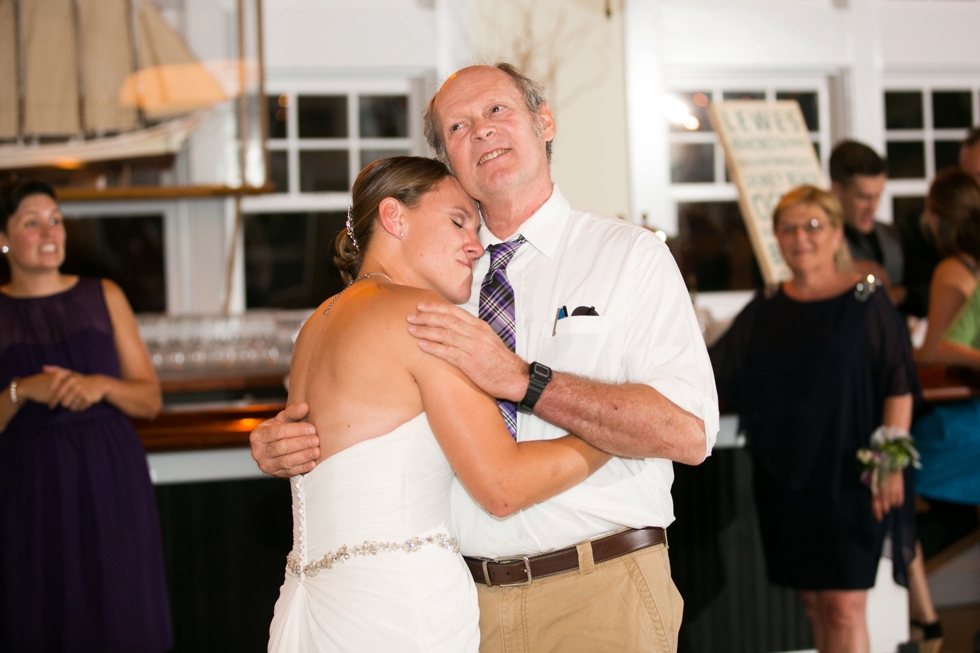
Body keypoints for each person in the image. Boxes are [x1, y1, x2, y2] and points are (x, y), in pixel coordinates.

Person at [253, 63, 719, 652]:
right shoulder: (433, 282)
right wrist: (285, 441)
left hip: (597, 591)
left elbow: (690, 432)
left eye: (497, 111)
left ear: (543, 122)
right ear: (446, 158)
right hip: (458, 603)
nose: (481, 131)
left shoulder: (629, 257)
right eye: (457, 125)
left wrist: (527, 381)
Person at [267, 155, 613, 651]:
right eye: (457, 222)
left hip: (312, 603)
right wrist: (609, 437)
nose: (476, 246)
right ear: (395, 218)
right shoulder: (423, 320)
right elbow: (502, 485)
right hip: (400, 607)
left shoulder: (315, 326)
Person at [710, 185, 918, 653]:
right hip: (786, 479)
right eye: (788, 228)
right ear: (776, 238)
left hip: (854, 477)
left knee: (845, 608)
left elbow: (899, 385)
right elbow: (712, 372)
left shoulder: (867, 302)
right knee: (812, 604)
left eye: (813, 226)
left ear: (836, 233)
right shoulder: (765, 307)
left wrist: (890, 464)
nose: (800, 237)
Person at [0, 181, 172, 651]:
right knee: (39, 611)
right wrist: (21, 391)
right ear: (5, 238)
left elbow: (150, 400)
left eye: (55, 219)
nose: (49, 231)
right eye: (31, 223)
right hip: (27, 482)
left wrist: (103, 386)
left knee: (118, 609)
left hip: (107, 475)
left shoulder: (105, 294)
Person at [912, 168, 980, 507]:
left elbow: (935, 351)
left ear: (938, 217)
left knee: (892, 467)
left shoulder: (951, 269)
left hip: (964, 419)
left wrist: (903, 351)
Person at [830, 140, 907, 307]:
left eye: (878, 196)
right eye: (863, 197)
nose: (873, 207)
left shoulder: (893, 234)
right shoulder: (818, 241)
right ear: (836, 191)